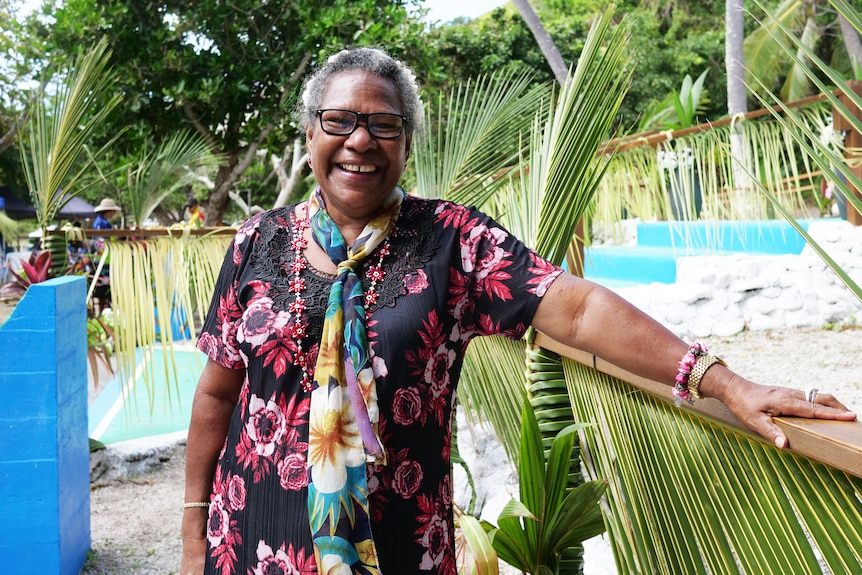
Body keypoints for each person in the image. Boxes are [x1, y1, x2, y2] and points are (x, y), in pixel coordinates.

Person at [181, 48, 856, 575]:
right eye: (340, 121)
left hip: (400, 549)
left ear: (406, 143)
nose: (361, 140)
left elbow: (580, 308)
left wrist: (722, 379)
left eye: (383, 124)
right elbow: (216, 396)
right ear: (310, 133)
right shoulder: (255, 244)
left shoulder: (452, 241)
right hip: (253, 540)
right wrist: (193, 542)